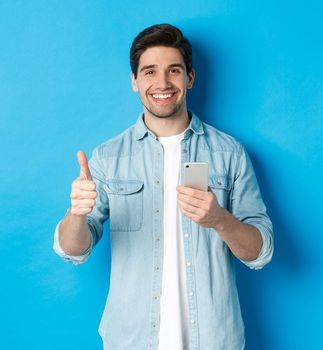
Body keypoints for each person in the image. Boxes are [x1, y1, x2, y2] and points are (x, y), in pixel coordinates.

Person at [53, 23, 273, 350]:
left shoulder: (230, 153)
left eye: (174, 70)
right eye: (149, 72)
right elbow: (73, 250)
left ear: (190, 78)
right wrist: (75, 214)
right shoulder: (108, 157)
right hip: (131, 340)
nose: (162, 83)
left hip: (214, 340)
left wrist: (219, 219)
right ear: (134, 81)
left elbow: (261, 251)